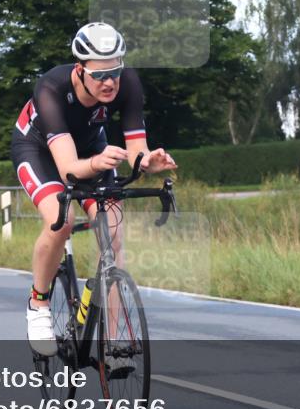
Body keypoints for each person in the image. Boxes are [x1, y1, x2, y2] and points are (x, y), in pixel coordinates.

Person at [11, 22, 177, 356]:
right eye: (99, 75)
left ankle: (114, 338)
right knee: (62, 219)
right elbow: (70, 170)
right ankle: (38, 303)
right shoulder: (51, 88)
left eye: (115, 72)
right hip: (41, 151)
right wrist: (100, 161)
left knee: (114, 235)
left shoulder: (128, 83)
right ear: (80, 70)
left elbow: (136, 148)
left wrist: (146, 162)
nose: (109, 82)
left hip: (91, 150)